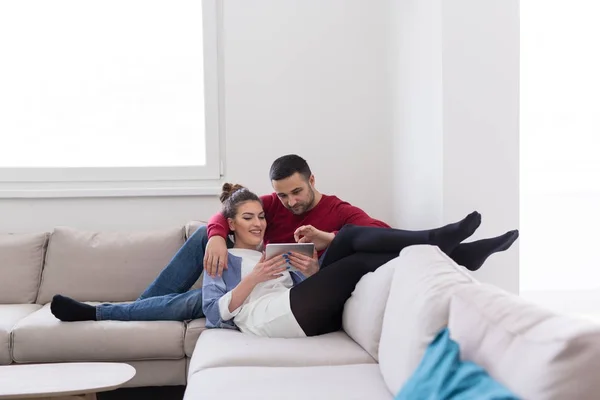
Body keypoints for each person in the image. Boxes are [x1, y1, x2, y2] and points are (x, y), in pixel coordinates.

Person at [50, 184, 519, 330]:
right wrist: (217, 237)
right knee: (195, 302)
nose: (266, 217)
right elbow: (218, 308)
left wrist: (311, 263)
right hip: (258, 304)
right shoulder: (240, 242)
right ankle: (445, 246)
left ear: (311, 182)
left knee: (354, 242)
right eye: (250, 216)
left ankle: (447, 248)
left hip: (298, 293)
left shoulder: (334, 212)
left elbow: (371, 235)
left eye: (263, 214)